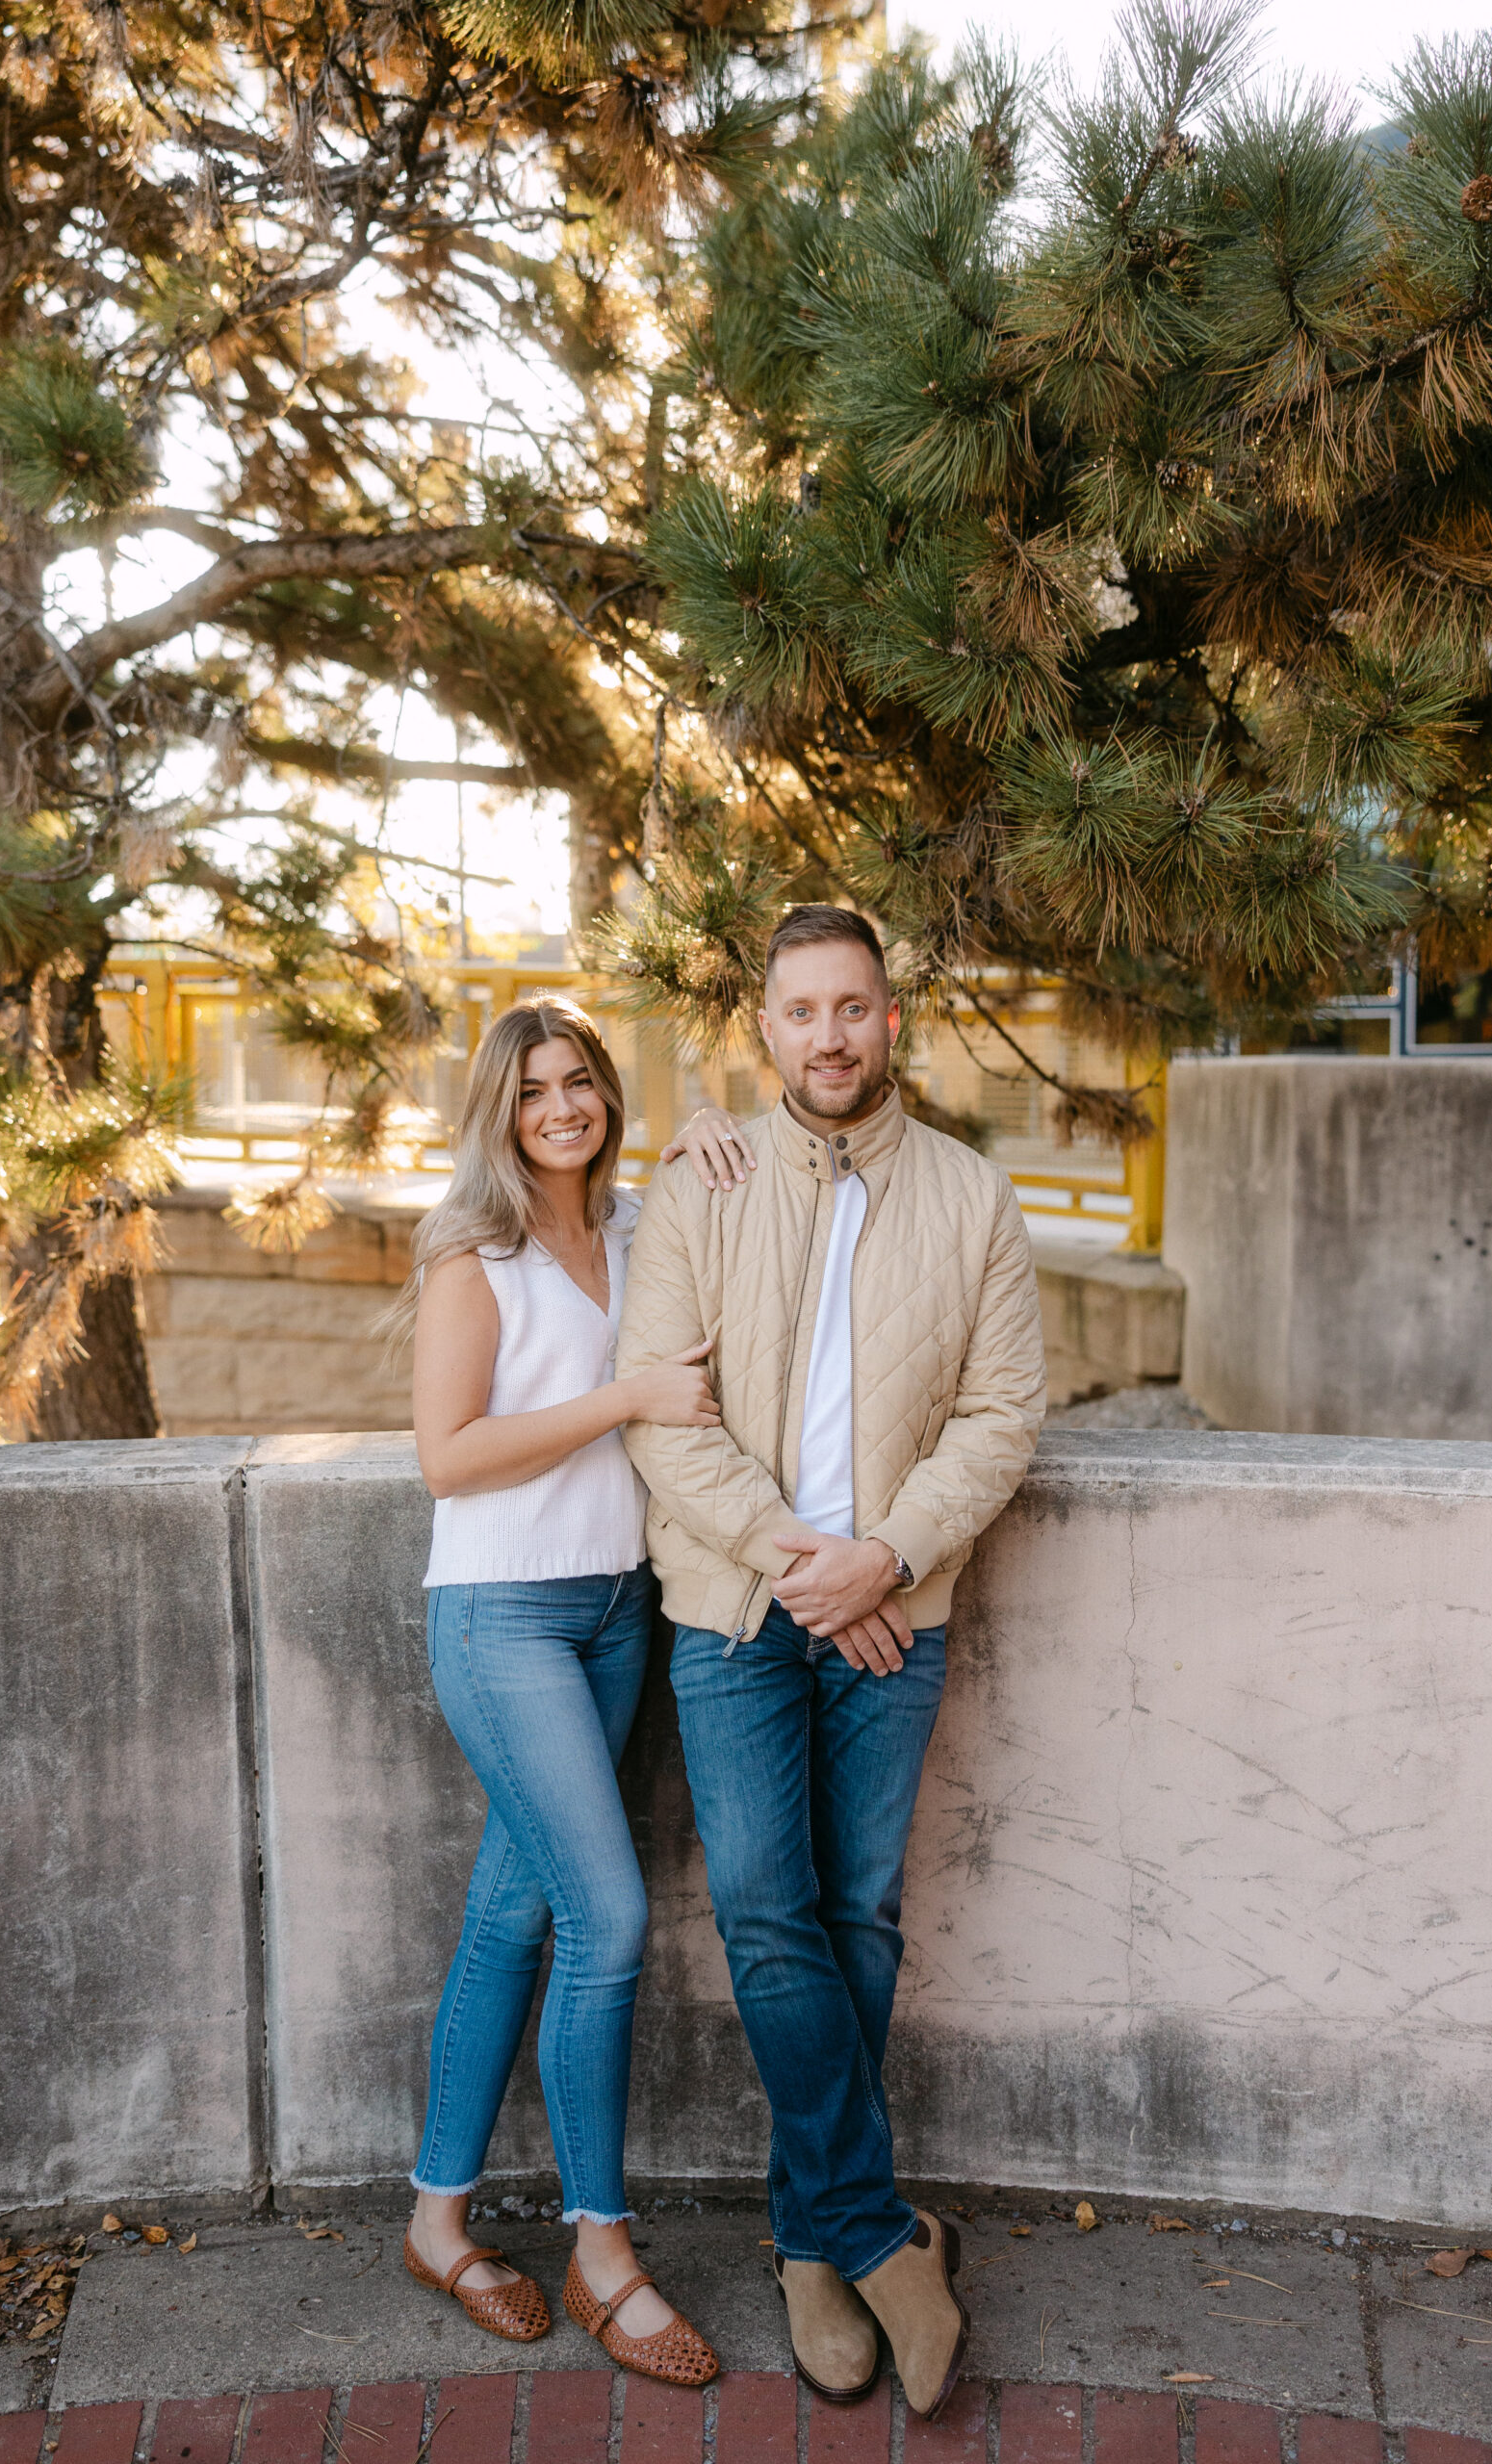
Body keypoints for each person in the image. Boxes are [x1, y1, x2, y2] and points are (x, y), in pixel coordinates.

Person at [615, 907, 1046, 2422]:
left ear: (890, 1019)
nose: (829, 1036)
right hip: (741, 1611)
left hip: (894, 1617)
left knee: (858, 1912)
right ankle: (877, 2232)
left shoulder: (973, 1196)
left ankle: (810, 2242)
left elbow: (1003, 1415)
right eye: (800, 1012)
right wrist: (817, 1566)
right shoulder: (703, 1183)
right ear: (765, 1029)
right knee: (763, 1908)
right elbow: (661, 1415)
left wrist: (891, 1558)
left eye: (852, 1007)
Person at [394, 995, 741, 2390]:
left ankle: (436, 2223)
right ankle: (604, 2252)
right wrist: (627, 1398)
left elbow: (732, 1218)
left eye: (581, 1081)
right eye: (534, 1089)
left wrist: (711, 1130)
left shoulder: (641, 1226)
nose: (562, 1108)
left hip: (615, 1612)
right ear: (501, 1108)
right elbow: (448, 1456)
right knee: (605, 1918)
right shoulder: (472, 1255)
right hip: (502, 1618)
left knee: (512, 1913)